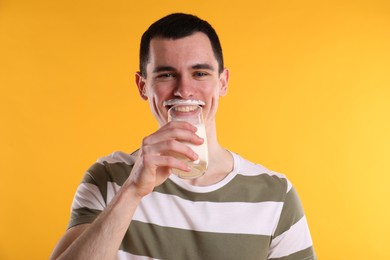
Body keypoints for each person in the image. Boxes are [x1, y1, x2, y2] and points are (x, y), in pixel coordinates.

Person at [51, 13, 316, 260]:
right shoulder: (107, 178)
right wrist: (132, 191)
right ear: (143, 86)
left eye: (200, 73)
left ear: (222, 82)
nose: (185, 90)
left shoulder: (276, 196)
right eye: (166, 74)